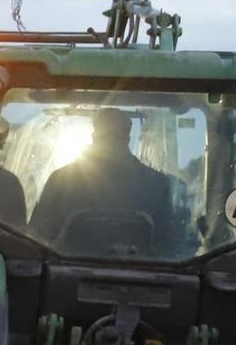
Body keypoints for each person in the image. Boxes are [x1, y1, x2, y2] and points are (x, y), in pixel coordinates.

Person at [28, 106, 177, 251]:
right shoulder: (156, 184)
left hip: (144, 272)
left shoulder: (60, 180)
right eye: (108, 134)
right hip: (67, 270)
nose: (111, 140)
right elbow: (37, 240)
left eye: (115, 135)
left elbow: (169, 249)